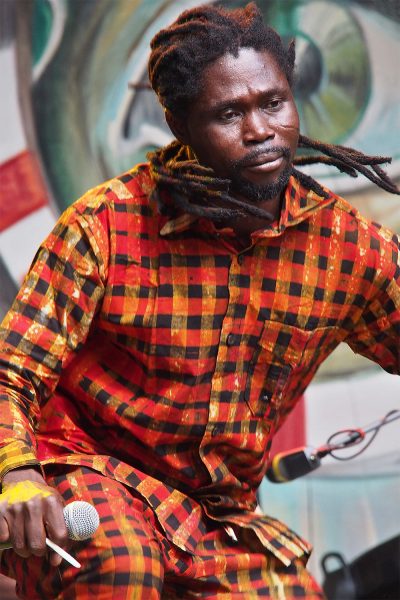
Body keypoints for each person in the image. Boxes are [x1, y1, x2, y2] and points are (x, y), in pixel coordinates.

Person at [0, 3, 399, 599]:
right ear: (182, 126)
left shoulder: (349, 249)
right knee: (122, 565)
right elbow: (10, 372)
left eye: (273, 102)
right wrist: (16, 472)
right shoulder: (104, 225)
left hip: (214, 516)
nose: (260, 129)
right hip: (80, 471)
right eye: (228, 114)